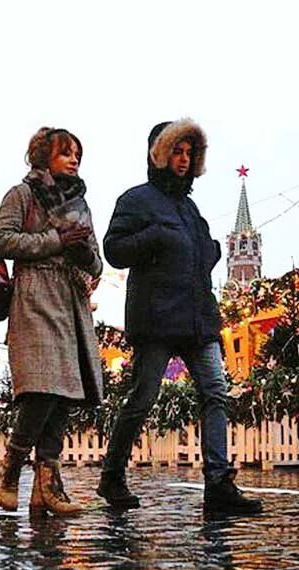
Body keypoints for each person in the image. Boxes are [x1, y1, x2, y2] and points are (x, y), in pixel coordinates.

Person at [98, 120, 262, 516]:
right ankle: (113, 474)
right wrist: (152, 238)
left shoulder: (189, 208)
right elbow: (114, 250)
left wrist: (210, 253)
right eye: (177, 151)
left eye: (190, 153)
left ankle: (219, 484)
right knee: (142, 397)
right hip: (156, 318)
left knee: (215, 393)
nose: (184, 160)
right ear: (159, 153)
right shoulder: (136, 200)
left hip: (198, 318)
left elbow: (201, 252)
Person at [0, 126, 105, 516]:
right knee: (42, 388)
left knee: (64, 394)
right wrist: (56, 241)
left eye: (77, 154)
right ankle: (12, 466)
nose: (74, 160)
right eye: (65, 153)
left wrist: (83, 251)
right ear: (44, 157)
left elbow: (96, 260)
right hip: (35, 296)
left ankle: (48, 486)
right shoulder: (22, 194)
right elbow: (1, 240)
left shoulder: (80, 204)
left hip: (70, 298)